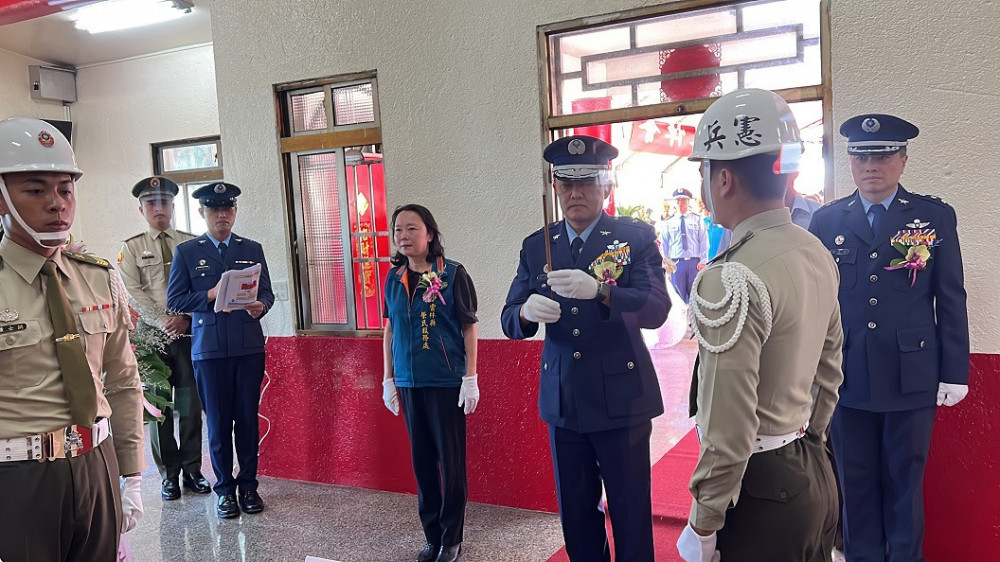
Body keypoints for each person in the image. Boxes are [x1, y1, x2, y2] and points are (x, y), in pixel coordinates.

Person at [678, 89, 842, 561]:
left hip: (758, 492)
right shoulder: (814, 251)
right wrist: (809, 444)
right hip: (811, 471)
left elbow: (728, 432)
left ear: (723, 178)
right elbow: (829, 378)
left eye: (704, 171)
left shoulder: (730, 277)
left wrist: (704, 521)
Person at [808, 114, 969, 561]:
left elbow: (950, 297)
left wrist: (954, 373)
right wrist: (810, 371)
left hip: (911, 375)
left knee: (904, 481)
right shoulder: (825, 220)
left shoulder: (931, 217)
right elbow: (815, 303)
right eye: (861, 156)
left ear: (902, 159)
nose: (871, 165)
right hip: (847, 376)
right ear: (850, 163)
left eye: (882, 155)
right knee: (854, 482)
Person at [502, 135, 670, 561]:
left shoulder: (633, 237)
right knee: (576, 514)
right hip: (565, 398)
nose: (575, 192)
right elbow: (508, 318)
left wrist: (603, 292)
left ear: (605, 186)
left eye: (587, 182)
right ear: (555, 187)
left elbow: (656, 308)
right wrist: (525, 312)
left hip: (621, 399)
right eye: (566, 183)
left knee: (630, 511)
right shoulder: (537, 244)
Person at [0, 117, 145, 560]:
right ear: (2, 198)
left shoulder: (98, 279)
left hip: (96, 463)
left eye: (65, 189)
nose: (57, 204)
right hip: (18, 476)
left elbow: (122, 381)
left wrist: (132, 474)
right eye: (36, 189)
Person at [166, 182, 274, 519]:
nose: (222, 215)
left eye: (227, 209)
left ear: (235, 212)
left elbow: (267, 293)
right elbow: (175, 301)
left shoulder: (251, 249)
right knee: (217, 424)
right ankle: (225, 490)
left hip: (247, 347)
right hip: (209, 350)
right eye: (214, 209)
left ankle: (249, 487)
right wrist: (210, 294)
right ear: (203, 213)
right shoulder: (187, 252)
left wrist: (261, 306)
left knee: (247, 422)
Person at [381, 204, 480, 562]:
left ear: (430, 234)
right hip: (409, 383)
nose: (403, 236)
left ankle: (452, 538)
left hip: (445, 382)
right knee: (421, 462)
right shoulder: (394, 277)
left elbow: (469, 326)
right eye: (398, 231)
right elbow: (389, 328)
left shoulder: (452, 274)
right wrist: (388, 378)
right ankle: (432, 535)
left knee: (450, 463)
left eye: (411, 229)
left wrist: (470, 377)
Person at [118, 176, 210, 501]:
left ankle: (193, 470)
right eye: (152, 203)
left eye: (165, 203)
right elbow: (134, 293)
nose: (159, 209)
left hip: (186, 334)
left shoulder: (190, 243)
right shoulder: (131, 248)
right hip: (151, 342)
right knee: (160, 409)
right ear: (141, 208)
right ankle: (169, 475)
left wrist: (184, 318)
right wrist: (163, 320)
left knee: (188, 406)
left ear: (172, 205)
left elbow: (201, 286)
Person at [660, 188, 708, 303]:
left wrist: (704, 260)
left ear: (688, 202)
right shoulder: (669, 222)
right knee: (678, 298)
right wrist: (667, 263)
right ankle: (682, 321)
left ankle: (695, 320)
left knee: (696, 297)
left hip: (694, 263)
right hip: (677, 264)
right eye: (678, 200)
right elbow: (665, 243)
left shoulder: (697, 219)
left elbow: (703, 240)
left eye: (683, 200)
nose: (680, 202)